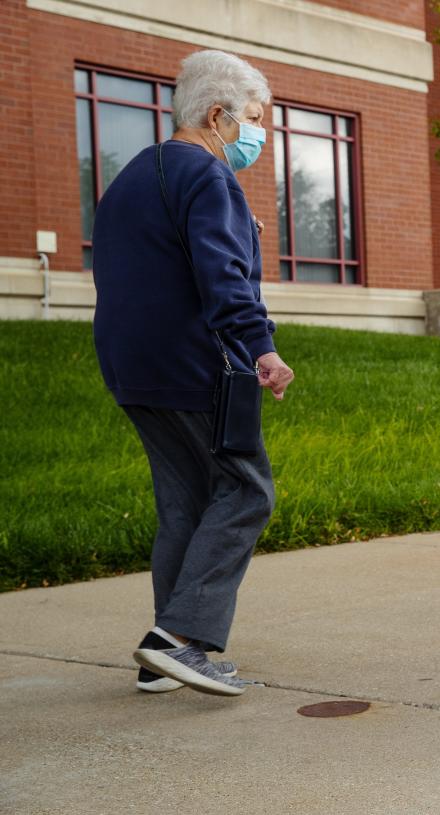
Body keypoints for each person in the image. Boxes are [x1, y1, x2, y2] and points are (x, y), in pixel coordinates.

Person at [91, 50, 294, 697]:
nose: (257, 136)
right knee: (246, 490)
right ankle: (178, 639)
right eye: (254, 121)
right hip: (191, 363)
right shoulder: (209, 178)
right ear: (217, 115)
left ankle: (165, 656)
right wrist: (261, 348)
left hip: (130, 366)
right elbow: (222, 277)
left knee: (185, 502)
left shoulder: (129, 178)